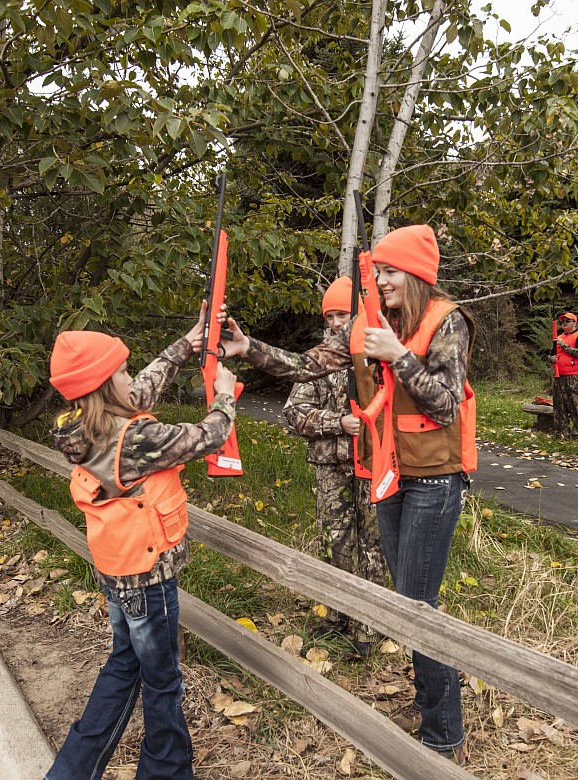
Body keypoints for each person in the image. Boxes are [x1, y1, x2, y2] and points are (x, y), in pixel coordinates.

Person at [222, 224, 476, 765]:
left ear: (413, 275)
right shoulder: (365, 324)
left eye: (387, 271)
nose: (378, 280)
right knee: (401, 601)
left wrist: (399, 357)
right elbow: (305, 364)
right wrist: (248, 349)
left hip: (434, 481)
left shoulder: (446, 321)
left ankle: (444, 734)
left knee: (417, 605)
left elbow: (447, 405)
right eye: (377, 270)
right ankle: (431, 708)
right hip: (387, 477)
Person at [45, 311, 238, 780]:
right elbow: (207, 436)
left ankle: (71, 772)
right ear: (106, 383)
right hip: (149, 581)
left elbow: (140, 390)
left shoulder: (77, 424)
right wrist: (227, 395)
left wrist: (184, 346)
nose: (131, 377)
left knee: (122, 667)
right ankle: (166, 772)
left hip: (117, 573)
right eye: (122, 371)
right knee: (163, 683)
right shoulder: (136, 440)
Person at [282, 276, 386, 658]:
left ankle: (370, 622)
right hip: (331, 468)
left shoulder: (378, 356)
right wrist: (336, 423)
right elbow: (293, 413)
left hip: (374, 464)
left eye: (343, 314)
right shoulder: (320, 360)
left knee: (373, 544)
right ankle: (338, 613)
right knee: (336, 539)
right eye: (331, 316)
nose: (336, 322)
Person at [549, 312, 578, 438]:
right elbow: (550, 354)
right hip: (559, 376)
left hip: (574, 376)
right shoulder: (558, 337)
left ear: (574, 323)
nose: (564, 323)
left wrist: (563, 345)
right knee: (559, 406)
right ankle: (562, 431)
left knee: (575, 405)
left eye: (568, 321)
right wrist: (551, 358)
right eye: (563, 321)